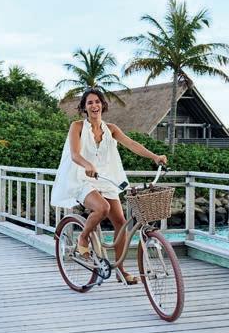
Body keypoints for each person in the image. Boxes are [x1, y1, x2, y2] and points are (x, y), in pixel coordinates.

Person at [51, 88, 167, 283]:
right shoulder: (77, 127)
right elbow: (75, 154)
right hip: (82, 177)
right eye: (89, 103)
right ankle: (83, 238)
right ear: (84, 107)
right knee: (102, 208)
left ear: (102, 105)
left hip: (106, 179)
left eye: (97, 102)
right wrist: (87, 165)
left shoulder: (111, 129)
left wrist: (155, 157)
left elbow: (132, 144)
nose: (94, 105)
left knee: (120, 223)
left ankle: (120, 270)